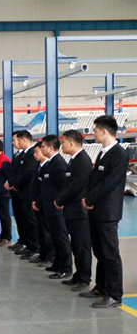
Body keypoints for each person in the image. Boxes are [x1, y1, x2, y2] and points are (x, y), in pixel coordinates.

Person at [80, 115, 129, 308]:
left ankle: (115, 294)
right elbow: (94, 179)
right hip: (96, 209)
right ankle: (101, 286)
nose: (93, 133)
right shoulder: (103, 153)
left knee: (110, 253)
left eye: (95, 130)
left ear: (104, 131)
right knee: (99, 251)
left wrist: (89, 199)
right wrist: (87, 197)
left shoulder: (119, 154)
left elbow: (109, 183)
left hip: (108, 212)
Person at [54, 130, 93, 291]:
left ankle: (84, 278)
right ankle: (78, 275)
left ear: (71, 143)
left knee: (82, 246)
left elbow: (75, 186)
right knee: (76, 245)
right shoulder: (73, 160)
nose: (61, 146)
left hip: (79, 211)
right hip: (72, 210)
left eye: (63, 142)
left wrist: (59, 200)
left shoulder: (82, 161)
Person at [33, 135, 72, 279]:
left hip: (56, 208)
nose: (41, 149)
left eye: (43, 146)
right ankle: (58, 263)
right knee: (55, 237)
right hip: (49, 207)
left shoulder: (58, 163)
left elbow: (64, 186)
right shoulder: (50, 163)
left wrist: (59, 202)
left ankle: (66, 267)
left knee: (61, 238)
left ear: (50, 148)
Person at [5, 130, 39, 256]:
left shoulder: (31, 154)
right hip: (17, 192)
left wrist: (14, 184)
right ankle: (24, 241)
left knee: (29, 221)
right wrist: (11, 183)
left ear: (24, 140)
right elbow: (14, 171)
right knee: (20, 219)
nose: (15, 143)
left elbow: (27, 172)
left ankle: (34, 246)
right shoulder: (21, 154)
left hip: (26, 192)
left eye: (17, 140)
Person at [29, 142, 55, 268]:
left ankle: (50, 256)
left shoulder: (50, 166)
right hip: (38, 203)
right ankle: (42, 253)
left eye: (37, 152)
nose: (34, 155)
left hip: (45, 204)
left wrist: (38, 201)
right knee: (40, 231)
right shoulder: (39, 166)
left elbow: (47, 188)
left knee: (47, 231)